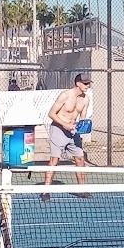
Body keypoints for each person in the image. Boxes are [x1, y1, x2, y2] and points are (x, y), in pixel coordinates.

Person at [41, 73, 93, 201]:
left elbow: (83, 117)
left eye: (88, 83)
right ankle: (45, 191)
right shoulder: (65, 95)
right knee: (55, 160)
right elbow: (51, 114)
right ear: (78, 83)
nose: (87, 85)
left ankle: (82, 190)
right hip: (58, 129)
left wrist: (82, 126)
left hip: (73, 132)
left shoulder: (86, 99)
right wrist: (65, 124)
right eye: (85, 83)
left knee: (80, 159)